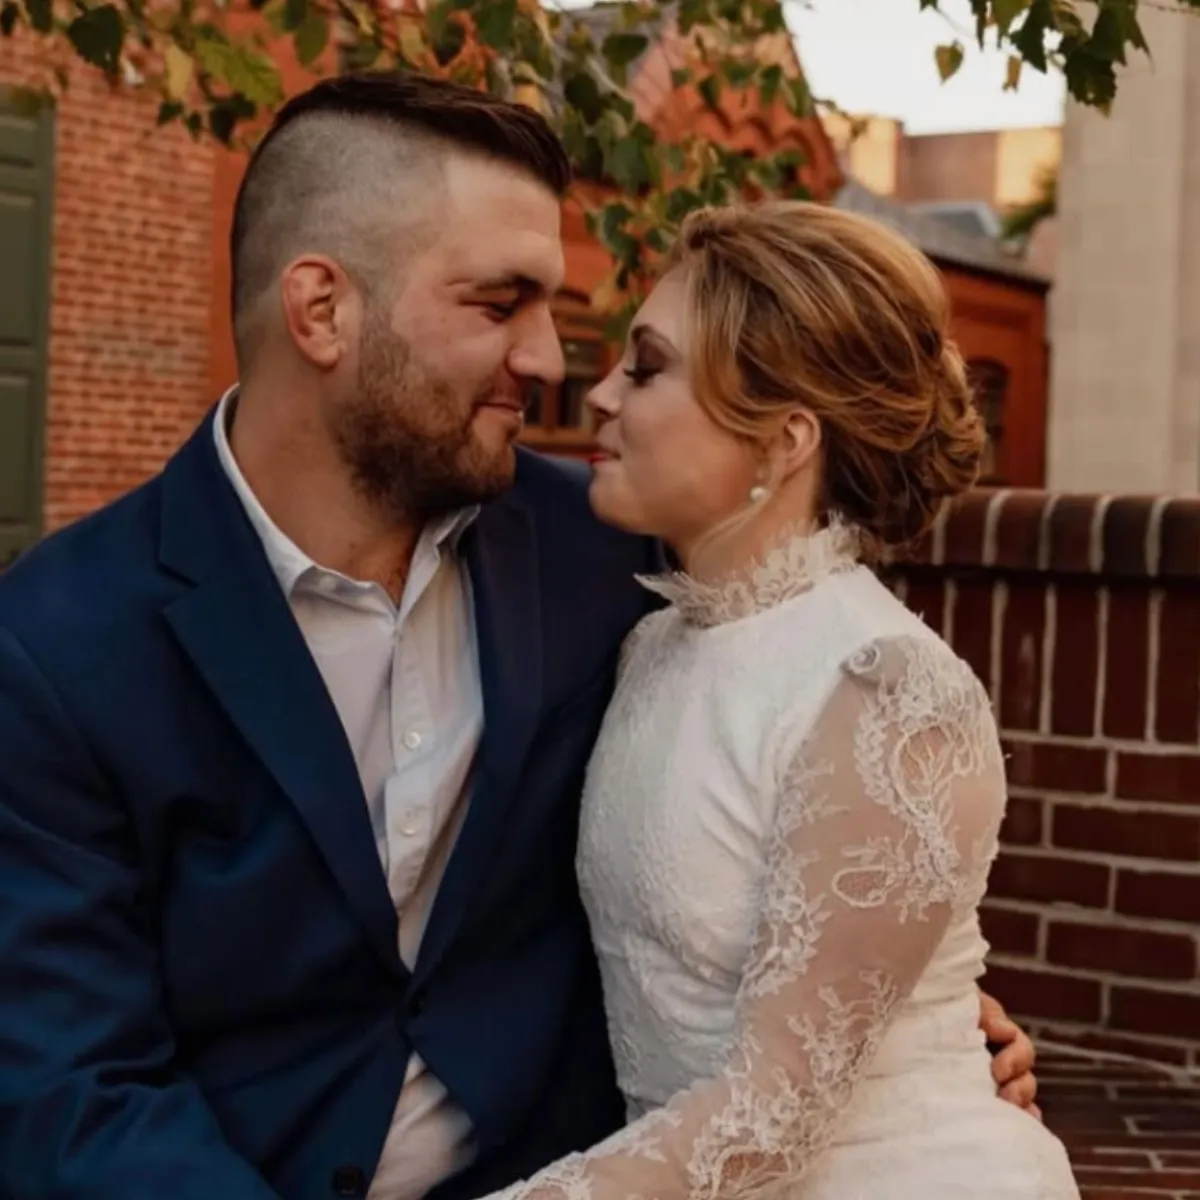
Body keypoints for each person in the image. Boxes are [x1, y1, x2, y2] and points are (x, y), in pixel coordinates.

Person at [0, 72, 1037, 1200]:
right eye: (500, 306)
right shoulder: (60, 642)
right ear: (321, 310)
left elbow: (798, 804)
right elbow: (72, 1087)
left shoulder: (615, 564)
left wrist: (909, 1015)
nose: (552, 363)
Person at [475, 202, 1079, 1200]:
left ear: (784, 437)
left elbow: (768, 1119)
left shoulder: (890, 689)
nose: (599, 395)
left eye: (649, 366)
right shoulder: (651, 645)